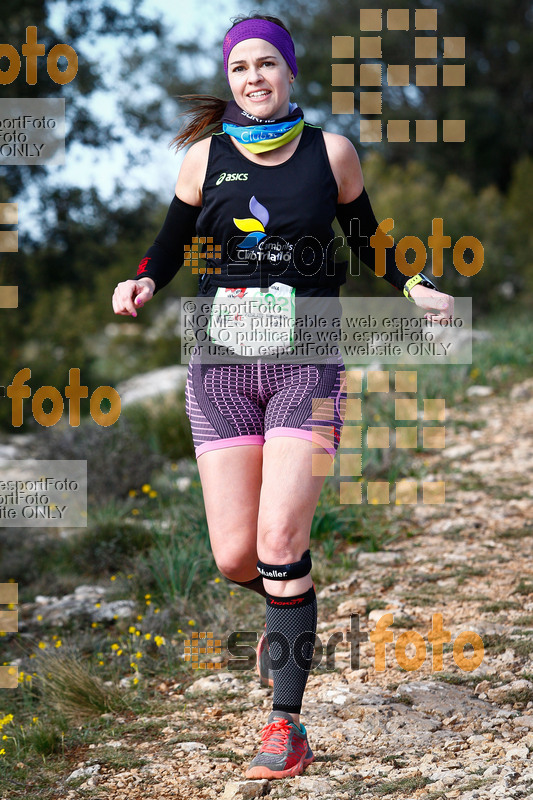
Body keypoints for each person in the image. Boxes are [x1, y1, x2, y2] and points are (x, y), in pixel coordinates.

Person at [112, 13, 454, 780]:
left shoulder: (331, 152)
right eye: (240, 69)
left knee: (276, 547)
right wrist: (141, 277)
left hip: (308, 362)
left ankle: (284, 723)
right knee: (237, 555)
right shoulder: (205, 158)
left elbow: (367, 235)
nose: (254, 78)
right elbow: (168, 243)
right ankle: (285, 589)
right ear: (229, 80)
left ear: (290, 72)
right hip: (219, 367)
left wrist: (413, 282)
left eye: (267, 64)